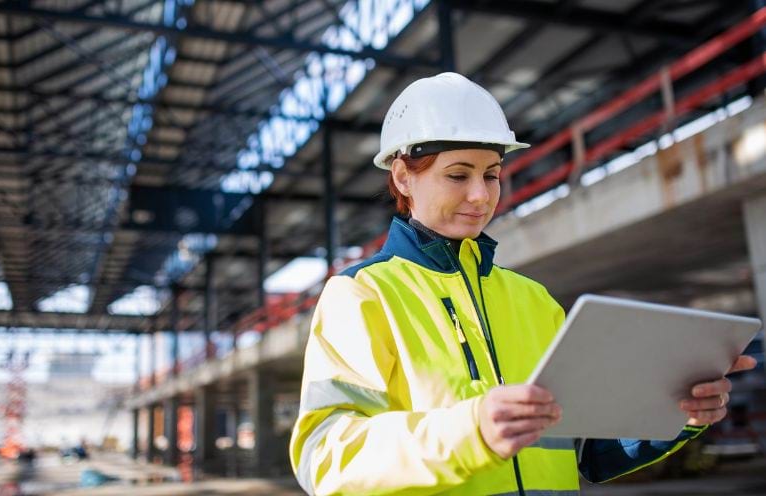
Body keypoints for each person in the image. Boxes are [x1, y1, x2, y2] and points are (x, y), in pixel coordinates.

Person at [289, 72, 756, 495]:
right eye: (458, 175)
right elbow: (326, 457)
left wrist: (679, 413)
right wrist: (472, 431)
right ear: (402, 177)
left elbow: (589, 450)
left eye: (492, 175)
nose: (480, 195)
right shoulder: (362, 295)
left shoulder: (533, 300)